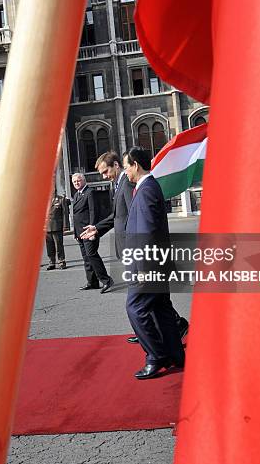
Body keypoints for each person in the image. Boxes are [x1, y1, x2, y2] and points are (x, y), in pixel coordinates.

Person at [81, 151, 189, 344]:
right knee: (153, 296)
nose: (105, 176)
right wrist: (97, 228)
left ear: (116, 165)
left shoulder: (131, 182)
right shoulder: (118, 183)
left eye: (106, 171)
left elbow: (138, 218)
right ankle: (161, 327)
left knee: (144, 296)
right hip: (130, 247)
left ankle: (157, 331)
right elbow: (117, 216)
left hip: (136, 248)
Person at [123, 146, 185, 380]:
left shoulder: (147, 189)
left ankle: (155, 355)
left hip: (148, 265)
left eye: (127, 167)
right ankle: (176, 355)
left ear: (136, 165)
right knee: (161, 309)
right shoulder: (147, 187)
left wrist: (141, 267)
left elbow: (148, 231)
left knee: (136, 309)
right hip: (157, 263)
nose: (126, 172)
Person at [72, 173, 114, 293]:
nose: (76, 183)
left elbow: (93, 212)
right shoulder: (76, 195)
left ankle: (106, 280)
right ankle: (92, 282)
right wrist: (76, 233)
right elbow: (76, 216)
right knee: (86, 258)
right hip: (80, 233)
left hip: (89, 231)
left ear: (84, 180)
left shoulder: (90, 193)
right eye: (74, 182)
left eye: (78, 181)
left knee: (91, 255)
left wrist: (93, 231)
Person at [45, 193, 69, 270]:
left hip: (57, 227)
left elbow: (65, 213)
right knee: (49, 246)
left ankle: (61, 261)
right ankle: (52, 262)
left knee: (59, 245)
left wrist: (66, 226)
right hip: (47, 227)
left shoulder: (61, 199)